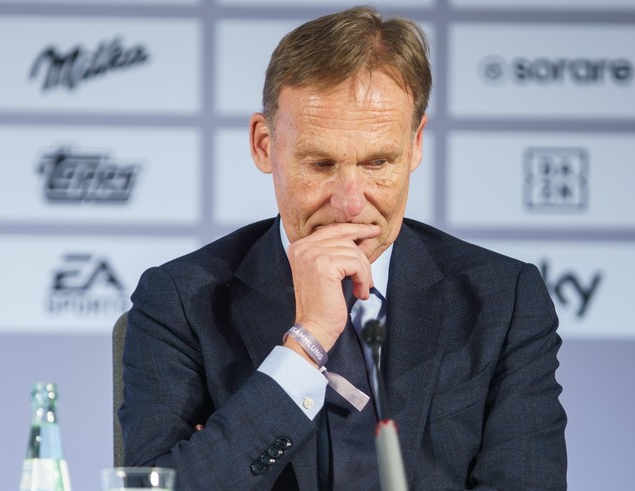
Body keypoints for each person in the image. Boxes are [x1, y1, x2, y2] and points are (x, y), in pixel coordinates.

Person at [119, 6, 567, 490]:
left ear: (415, 144)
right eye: (321, 163)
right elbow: (156, 486)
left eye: (378, 162)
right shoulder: (181, 301)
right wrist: (305, 344)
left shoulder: (503, 301)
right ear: (265, 145)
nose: (350, 203)